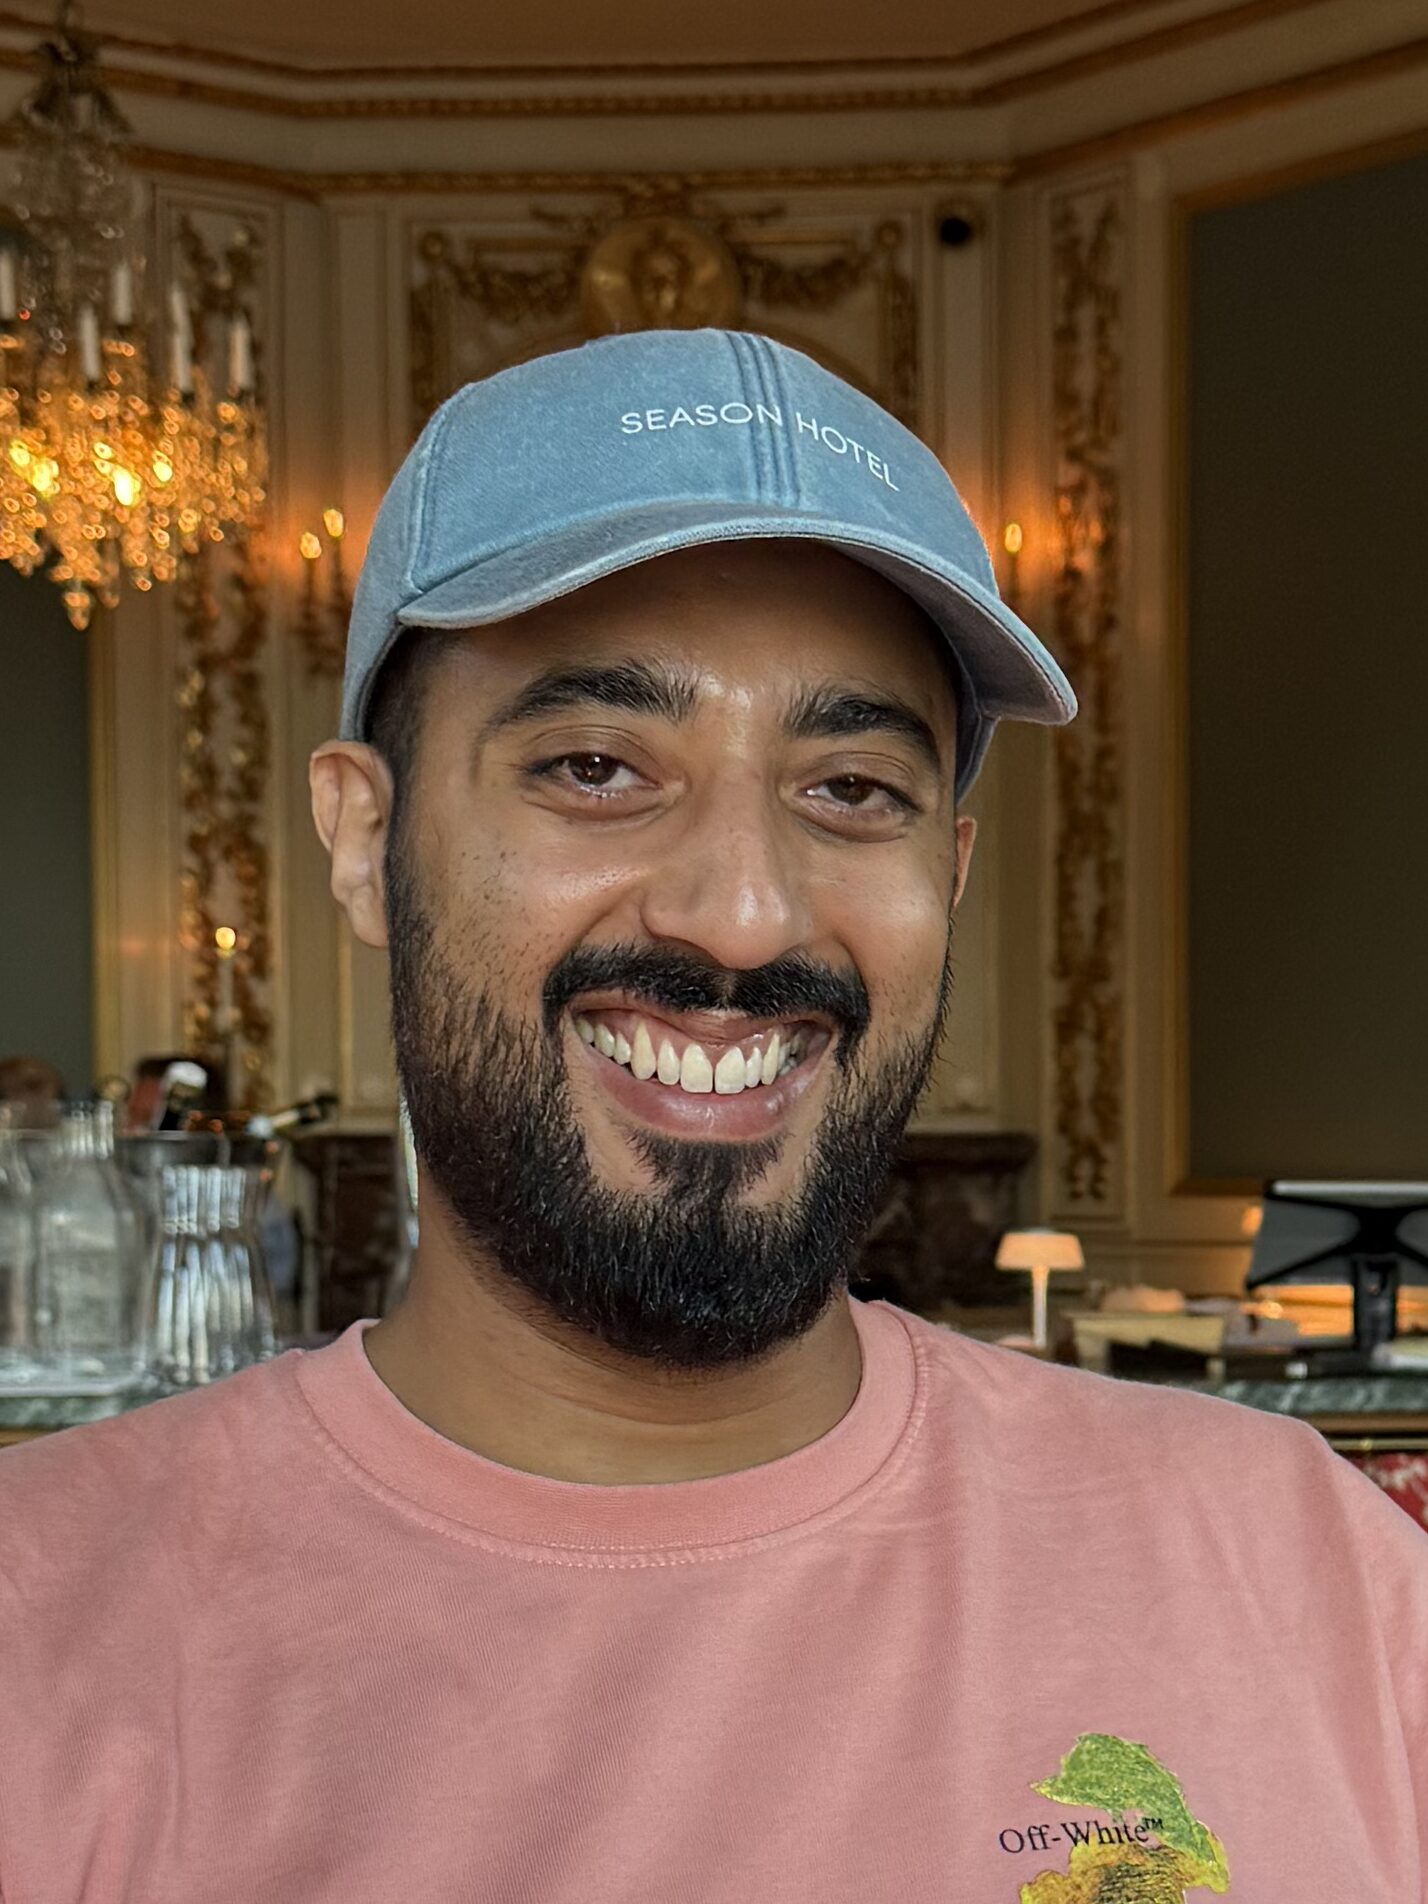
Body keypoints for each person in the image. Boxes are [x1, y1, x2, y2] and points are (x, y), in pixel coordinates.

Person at [0, 331, 1422, 1902]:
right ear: (364, 839)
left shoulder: (1311, 1571)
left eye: (851, 790)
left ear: (948, 873)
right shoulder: (42, 1635)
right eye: (596, 766)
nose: (744, 916)